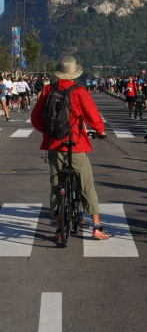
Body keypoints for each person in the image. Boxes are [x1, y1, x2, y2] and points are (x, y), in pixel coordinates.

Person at [31, 56, 109, 241]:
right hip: (77, 144)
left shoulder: (49, 90)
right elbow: (92, 115)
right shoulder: (79, 91)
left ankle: (59, 228)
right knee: (86, 184)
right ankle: (97, 227)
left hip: (54, 145)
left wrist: (48, 133)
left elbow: (36, 118)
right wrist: (100, 130)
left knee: (56, 185)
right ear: (74, 74)